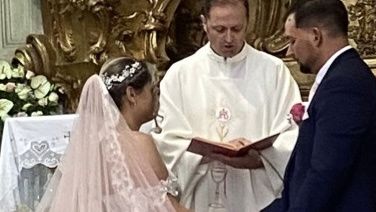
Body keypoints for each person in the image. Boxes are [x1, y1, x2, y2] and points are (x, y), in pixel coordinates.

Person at [151, 0, 302, 211]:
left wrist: (261, 159)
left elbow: (292, 136)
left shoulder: (273, 71)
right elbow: (166, 141)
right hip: (199, 194)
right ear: (204, 23)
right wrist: (207, 152)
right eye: (219, 29)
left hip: (256, 196)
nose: (229, 38)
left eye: (236, 29)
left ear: (247, 23)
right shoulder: (180, 74)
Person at [263, 0, 376, 211]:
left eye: (292, 40)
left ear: (316, 36)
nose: (289, 52)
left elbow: (326, 173)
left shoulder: (344, 85)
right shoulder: (341, 77)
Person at [36, 57, 188, 212]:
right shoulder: (141, 143)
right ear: (131, 95)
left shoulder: (87, 148)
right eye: (152, 91)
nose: (157, 98)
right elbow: (168, 207)